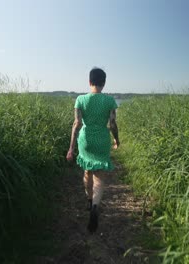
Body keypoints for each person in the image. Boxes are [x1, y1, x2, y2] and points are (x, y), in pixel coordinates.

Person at [66, 67, 120, 233]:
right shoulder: (110, 101)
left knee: (87, 172)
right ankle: (96, 206)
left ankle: (89, 201)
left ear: (89, 81)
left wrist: (71, 148)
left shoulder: (80, 100)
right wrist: (117, 140)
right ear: (104, 83)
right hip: (102, 140)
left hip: (85, 140)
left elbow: (77, 124)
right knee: (99, 175)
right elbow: (112, 124)